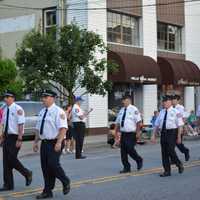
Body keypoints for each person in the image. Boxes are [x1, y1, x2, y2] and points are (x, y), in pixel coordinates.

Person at [33, 90, 70, 199]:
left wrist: (59, 142)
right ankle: (47, 191)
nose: (43, 99)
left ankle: (65, 180)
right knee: (45, 167)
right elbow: (38, 129)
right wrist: (35, 142)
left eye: (46, 97)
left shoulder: (58, 111)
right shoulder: (41, 112)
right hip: (44, 142)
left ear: (53, 98)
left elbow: (63, 128)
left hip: (55, 141)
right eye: (42, 97)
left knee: (53, 164)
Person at [0, 91, 32, 191]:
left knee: (11, 159)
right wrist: (2, 137)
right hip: (7, 137)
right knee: (6, 161)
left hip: (15, 137)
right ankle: (8, 185)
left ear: (13, 98)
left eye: (8, 97)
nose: (5, 99)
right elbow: (4, 125)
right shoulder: (5, 109)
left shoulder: (18, 109)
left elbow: (21, 124)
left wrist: (20, 138)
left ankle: (27, 173)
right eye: (5, 97)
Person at [151, 95, 184, 177]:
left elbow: (180, 125)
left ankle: (178, 163)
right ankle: (167, 171)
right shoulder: (161, 112)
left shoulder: (176, 112)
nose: (164, 103)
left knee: (170, 150)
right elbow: (156, 125)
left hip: (172, 132)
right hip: (163, 132)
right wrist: (153, 135)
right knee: (164, 152)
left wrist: (179, 136)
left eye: (166, 101)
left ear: (170, 102)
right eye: (163, 102)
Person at [115, 95, 143, 174]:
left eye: (124, 100)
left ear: (129, 100)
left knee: (130, 149)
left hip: (131, 133)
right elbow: (117, 123)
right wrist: (116, 133)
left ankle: (138, 159)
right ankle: (126, 167)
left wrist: (138, 132)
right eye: (122, 100)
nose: (122, 102)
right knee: (123, 152)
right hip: (123, 133)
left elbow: (138, 122)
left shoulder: (134, 109)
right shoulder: (121, 110)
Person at [172, 95, 190, 161]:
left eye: (174, 100)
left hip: (179, 128)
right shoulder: (171, 107)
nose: (173, 101)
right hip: (172, 128)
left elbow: (184, 118)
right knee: (171, 145)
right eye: (172, 99)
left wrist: (184, 128)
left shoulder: (181, 108)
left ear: (178, 100)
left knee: (178, 144)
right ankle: (173, 159)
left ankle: (185, 151)